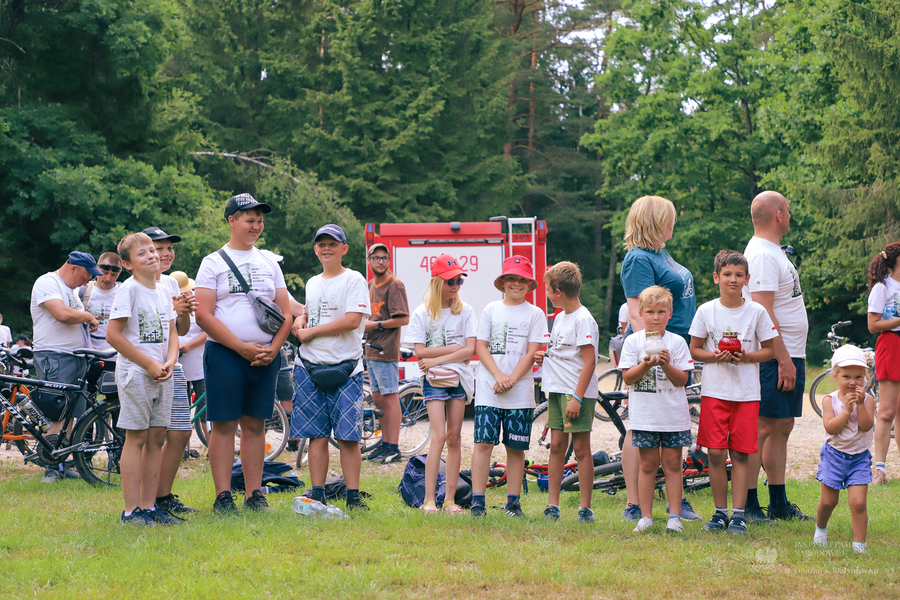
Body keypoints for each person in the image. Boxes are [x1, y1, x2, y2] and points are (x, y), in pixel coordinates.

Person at [195, 193, 292, 513]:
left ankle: (255, 494)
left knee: (255, 425)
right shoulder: (212, 262)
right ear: (232, 221)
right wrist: (240, 346)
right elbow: (203, 316)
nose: (256, 226)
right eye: (250, 219)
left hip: (265, 356)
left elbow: (285, 311)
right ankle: (223, 496)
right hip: (225, 355)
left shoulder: (269, 261)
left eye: (260, 220)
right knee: (223, 425)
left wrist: (274, 349)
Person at [619, 195, 699, 523]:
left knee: (669, 419)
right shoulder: (638, 259)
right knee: (642, 422)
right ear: (653, 222)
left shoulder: (660, 254)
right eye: (668, 219)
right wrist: (650, 353)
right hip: (654, 350)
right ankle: (635, 502)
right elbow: (640, 313)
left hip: (675, 347)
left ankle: (672, 500)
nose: (673, 224)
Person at [688, 250, 777, 534]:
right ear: (716, 277)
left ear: (747, 279)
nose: (733, 279)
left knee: (740, 453)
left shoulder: (756, 311)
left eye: (739, 275)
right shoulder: (706, 310)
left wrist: (746, 357)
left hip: (747, 394)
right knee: (715, 452)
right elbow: (695, 349)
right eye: (727, 274)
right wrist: (716, 356)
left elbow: (770, 350)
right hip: (715, 391)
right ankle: (719, 512)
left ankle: (738, 514)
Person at [290, 224, 371, 511]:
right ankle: (318, 494)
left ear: (344, 248)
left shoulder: (354, 279)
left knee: (348, 436)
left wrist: (311, 332)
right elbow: (308, 313)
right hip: (309, 365)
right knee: (316, 435)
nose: (326, 248)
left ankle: (353, 497)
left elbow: (352, 320)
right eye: (321, 244)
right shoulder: (312, 282)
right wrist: (300, 322)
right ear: (315, 249)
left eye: (332, 244)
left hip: (346, 368)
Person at [743, 190, 811, 522]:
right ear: (779, 215)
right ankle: (750, 504)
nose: (790, 214)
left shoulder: (772, 252)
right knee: (763, 426)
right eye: (788, 209)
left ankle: (779, 502)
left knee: (782, 424)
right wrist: (782, 358)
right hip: (772, 355)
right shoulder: (762, 256)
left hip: (788, 352)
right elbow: (762, 310)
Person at [106, 232, 180, 526]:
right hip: (137, 373)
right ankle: (131, 510)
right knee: (136, 438)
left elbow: (173, 332)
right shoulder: (129, 290)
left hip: (164, 373)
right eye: (142, 254)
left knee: (157, 438)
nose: (152, 255)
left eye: (153, 250)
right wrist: (149, 363)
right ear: (127, 264)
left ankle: (149, 507)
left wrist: (170, 361)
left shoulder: (164, 290)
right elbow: (114, 335)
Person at [471, 256, 549, 518]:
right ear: (503, 282)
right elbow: (480, 346)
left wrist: (511, 379)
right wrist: (498, 375)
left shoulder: (535, 313)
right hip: (488, 389)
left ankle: (513, 503)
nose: (517, 283)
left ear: (529, 284)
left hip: (519, 393)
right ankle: (478, 502)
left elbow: (532, 352)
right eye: (512, 278)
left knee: (515, 449)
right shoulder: (491, 309)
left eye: (522, 279)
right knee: (483, 444)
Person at [406, 253, 476, 515]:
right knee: (439, 436)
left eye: (459, 280)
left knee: (455, 437)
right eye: (450, 281)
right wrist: (454, 351)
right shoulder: (422, 313)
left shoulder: (466, 311)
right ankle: (429, 501)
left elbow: (469, 350)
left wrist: (439, 358)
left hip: (458, 379)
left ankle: (449, 500)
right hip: (434, 381)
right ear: (437, 282)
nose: (456, 286)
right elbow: (419, 352)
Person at [619, 286, 693, 533]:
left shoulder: (677, 342)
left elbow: (682, 380)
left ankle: (674, 516)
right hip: (645, 417)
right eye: (650, 312)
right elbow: (628, 378)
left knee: (673, 465)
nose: (656, 317)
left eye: (661, 311)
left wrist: (666, 364)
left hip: (672, 417)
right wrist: (645, 365)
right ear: (640, 313)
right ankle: (646, 515)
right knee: (647, 466)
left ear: (670, 314)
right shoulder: (632, 342)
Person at [535, 261, 599, 523]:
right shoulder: (560, 317)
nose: (547, 294)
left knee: (582, 449)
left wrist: (577, 397)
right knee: (557, 446)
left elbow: (590, 362)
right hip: (557, 391)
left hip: (576, 393)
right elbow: (564, 352)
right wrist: (545, 356)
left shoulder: (583, 319)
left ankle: (585, 508)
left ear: (558, 292)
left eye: (548, 290)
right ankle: (553, 505)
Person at [30, 250, 102, 482]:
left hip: (74, 357)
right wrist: (88, 317)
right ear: (73, 268)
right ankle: (51, 467)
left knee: (71, 415)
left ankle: (61, 464)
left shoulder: (71, 290)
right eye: (86, 275)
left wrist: (85, 320)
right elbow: (61, 313)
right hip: (55, 355)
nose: (87, 281)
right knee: (56, 413)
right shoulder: (47, 282)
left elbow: (73, 315)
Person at [143, 226, 199, 515]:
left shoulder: (172, 285)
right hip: (145, 367)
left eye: (169, 248)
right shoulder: (136, 285)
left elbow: (182, 330)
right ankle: (145, 502)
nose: (165, 254)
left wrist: (184, 312)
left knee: (180, 432)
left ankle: (162, 496)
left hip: (172, 366)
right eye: (158, 248)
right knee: (149, 435)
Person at [813, 345, 875, 554]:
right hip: (834, 457)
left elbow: (866, 426)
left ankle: (859, 546)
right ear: (835, 376)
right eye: (846, 376)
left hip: (859, 458)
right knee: (829, 501)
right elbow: (831, 428)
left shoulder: (868, 400)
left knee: (858, 503)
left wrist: (859, 405)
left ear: (865, 377)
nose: (852, 382)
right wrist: (847, 410)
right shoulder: (830, 400)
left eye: (858, 377)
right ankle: (820, 529)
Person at [363, 243, 410, 464]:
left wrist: (375, 326)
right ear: (369, 260)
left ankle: (393, 447)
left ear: (389, 260)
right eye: (376, 258)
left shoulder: (394, 285)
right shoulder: (370, 284)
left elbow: (403, 319)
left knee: (390, 398)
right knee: (378, 399)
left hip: (386, 350)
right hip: (371, 351)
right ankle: (383, 444)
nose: (380, 261)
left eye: (384, 258)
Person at [866, 242, 900, 484]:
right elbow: (873, 325)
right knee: (887, 412)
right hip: (891, 344)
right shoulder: (882, 287)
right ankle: (879, 470)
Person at [79, 252, 123, 350]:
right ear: (97, 269)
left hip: (117, 356)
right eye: (105, 273)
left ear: (119, 274)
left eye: (113, 275)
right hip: (88, 354)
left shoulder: (124, 292)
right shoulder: (83, 290)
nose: (108, 278)